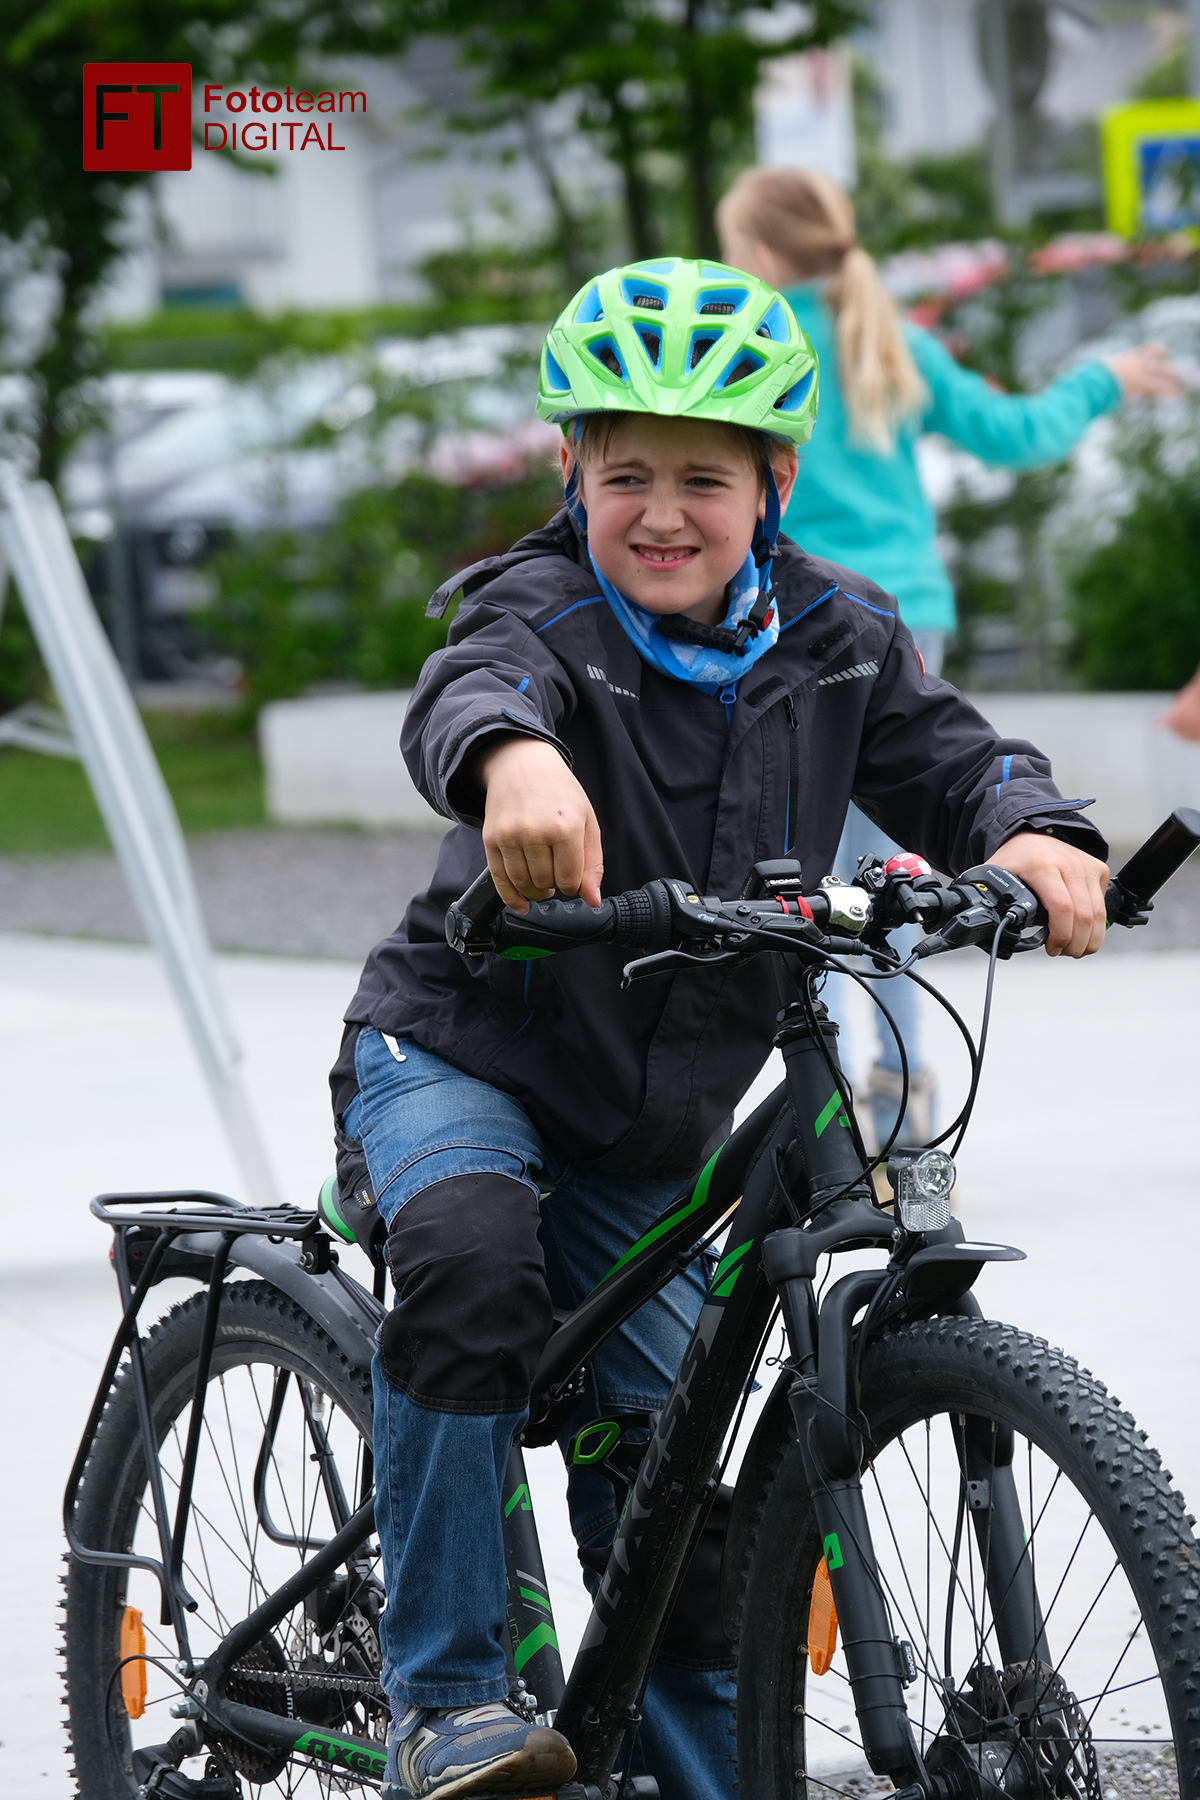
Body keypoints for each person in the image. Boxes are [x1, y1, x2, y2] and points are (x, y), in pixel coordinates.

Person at [329, 256, 1112, 1800]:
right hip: (466, 1054)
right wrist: (513, 763)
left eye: (706, 478)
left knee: (672, 1480)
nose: (664, 514)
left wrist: (1033, 827)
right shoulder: (543, 610)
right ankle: (445, 1698)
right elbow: (471, 687)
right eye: (628, 475)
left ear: (776, 484)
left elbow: (955, 756)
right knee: (472, 1267)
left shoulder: (839, 630)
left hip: (654, 1120)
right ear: (573, 471)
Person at [716, 165, 1179, 1148]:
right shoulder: (892, 339)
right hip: (903, 624)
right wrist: (1104, 378)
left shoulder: (758, 346)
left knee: (803, 875)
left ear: (753, 253)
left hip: (788, 619)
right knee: (888, 870)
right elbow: (1015, 434)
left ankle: (829, 1113)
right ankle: (904, 1096)